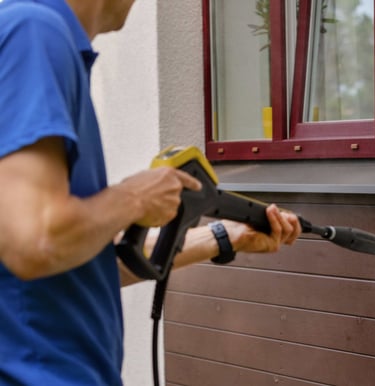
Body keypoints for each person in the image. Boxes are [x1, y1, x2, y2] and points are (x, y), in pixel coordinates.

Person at [0, 0, 302, 384]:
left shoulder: (39, 42)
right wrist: (133, 197)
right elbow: (35, 242)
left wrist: (224, 236)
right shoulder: (33, 32)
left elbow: (79, 263)